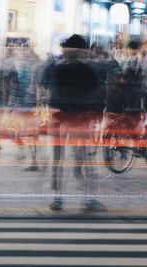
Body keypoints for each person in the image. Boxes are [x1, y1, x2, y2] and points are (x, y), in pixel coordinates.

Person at [42, 34, 105, 211]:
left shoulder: (56, 68)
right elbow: (95, 92)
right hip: (79, 117)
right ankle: (89, 198)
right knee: (86, 158)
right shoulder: (88, 69)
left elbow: (50, 90)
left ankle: (57, 198)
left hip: (59, 116)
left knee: (57, 159)